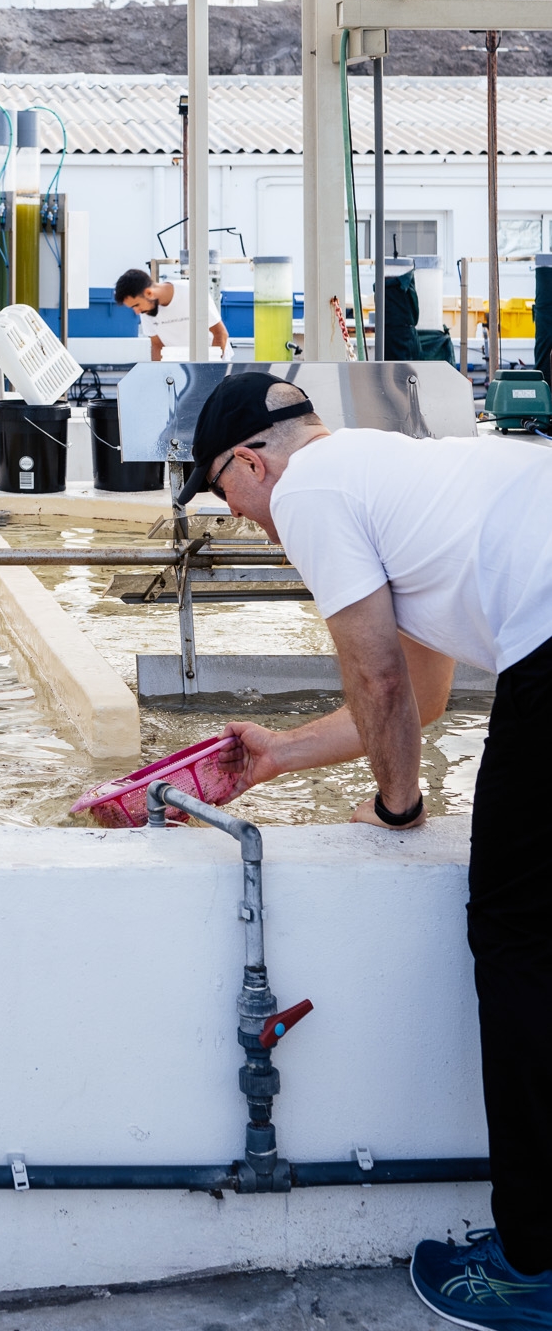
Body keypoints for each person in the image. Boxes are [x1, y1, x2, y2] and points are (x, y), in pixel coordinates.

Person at [178, 371, 552, 1328]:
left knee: (519, 940)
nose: (247, 521)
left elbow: (380, 683)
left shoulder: (305, 493)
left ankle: (534, 1268)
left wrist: (396, 810)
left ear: (251, 462)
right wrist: (283, 755)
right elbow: (422, 699)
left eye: (227, 495)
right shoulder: (390, 471)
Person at [114, 267, 229, 360]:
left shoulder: (191, 292)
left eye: (136, 305)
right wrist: (159, 375)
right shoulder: (146, 310)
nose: (137, 311)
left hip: (212, 364)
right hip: (180, 368)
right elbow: (157, 345)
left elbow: (220, 334)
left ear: (148, 293)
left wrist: (211, 370)